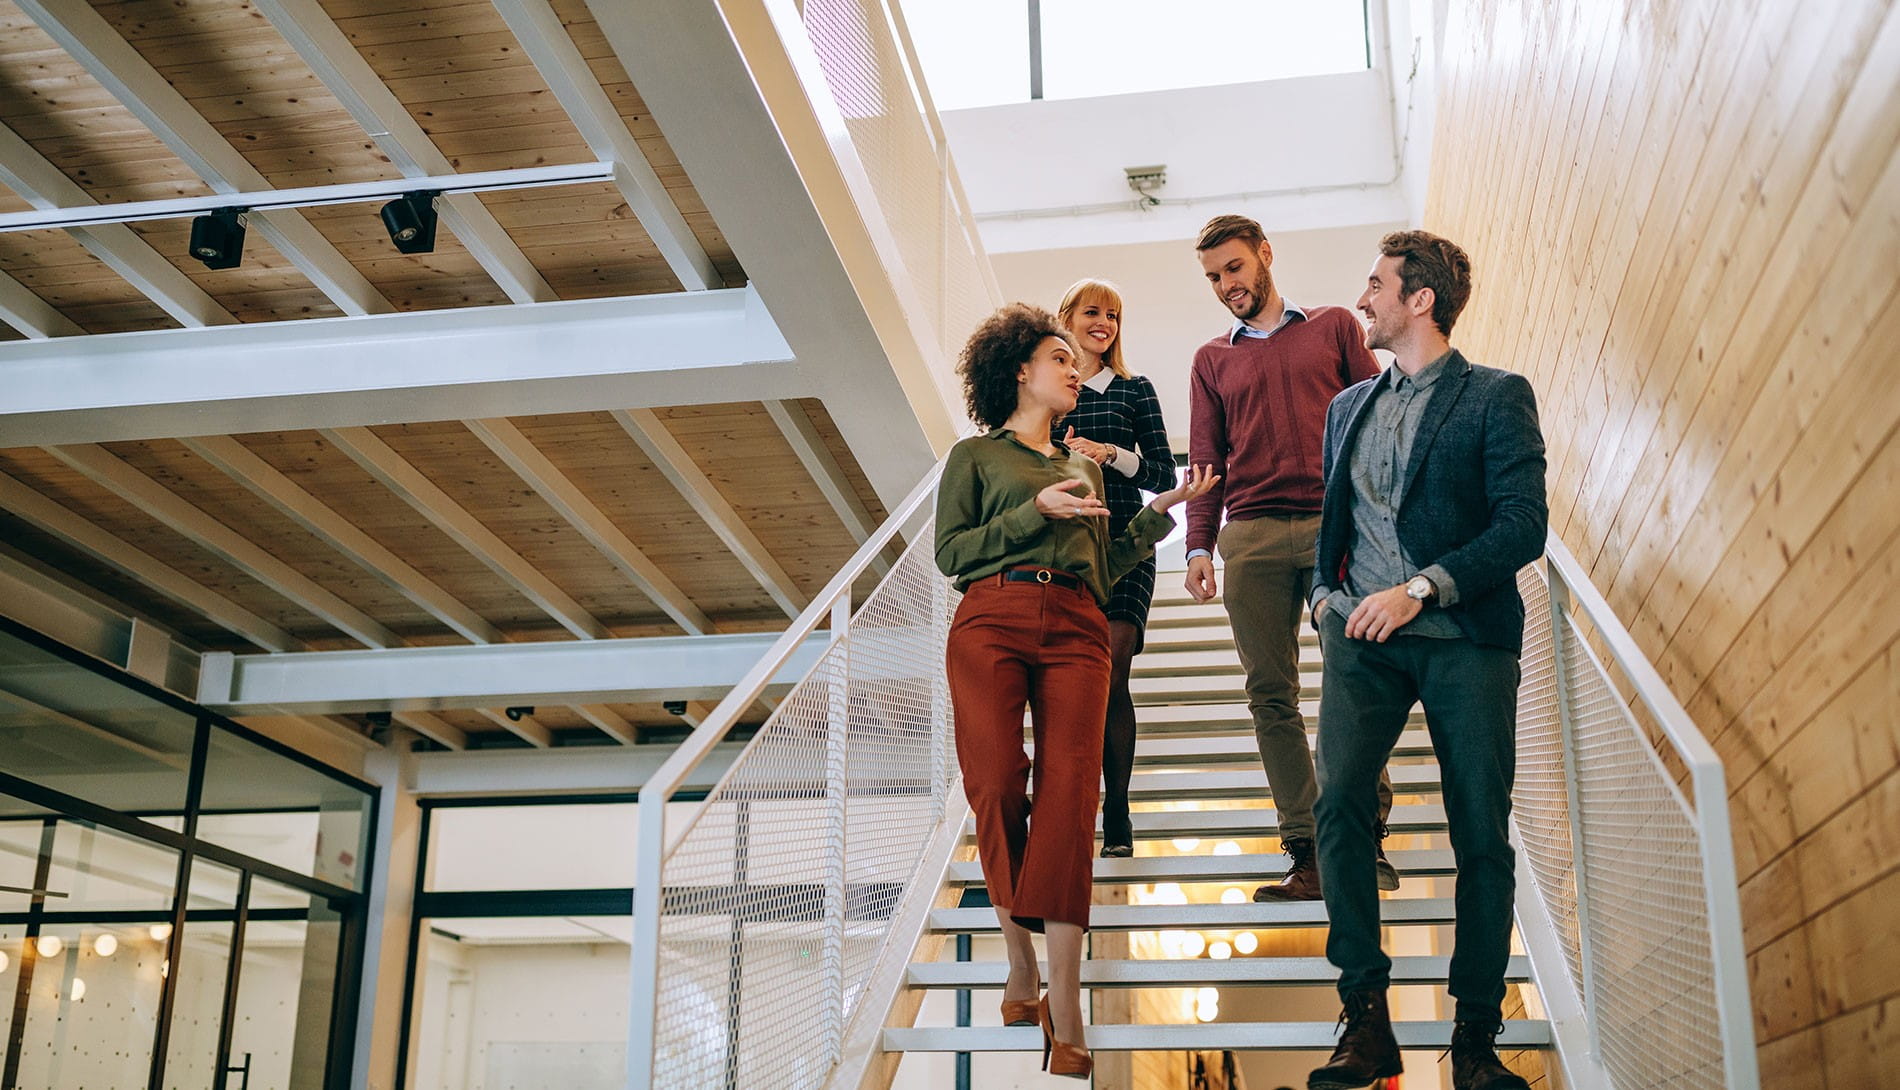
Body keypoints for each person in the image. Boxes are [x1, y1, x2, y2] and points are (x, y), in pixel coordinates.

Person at [936, 303, 1216, 1079]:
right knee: (995, 782)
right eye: (1058, 357)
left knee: (1070, 798)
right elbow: (950, 552)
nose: (1073, 369)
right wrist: (1034, 509)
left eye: (1073, 360)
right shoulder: (975, 459)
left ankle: (1066, 1000)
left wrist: (1155, 517)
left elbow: (1103, 564)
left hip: (1079, 623)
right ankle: (1018, 962)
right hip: (991, 614)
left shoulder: (1085, 466)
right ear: (1020, 371)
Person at [1305, 231, 1546, 1090]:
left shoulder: (1495, 396)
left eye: (1376, 285)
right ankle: (1366, 1022)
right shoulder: (1347, 409)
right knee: (1337, 809)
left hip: (1464, 639)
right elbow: (1330, 526)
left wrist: (1423, 587)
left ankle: (1475, 1041)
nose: (1361, 298)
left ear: (1420, 301)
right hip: (1361, 645)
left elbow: (1522, 525)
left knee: (1480, 833)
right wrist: (1324, 602)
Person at [1184, 215, 1396, 901]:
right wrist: (1197, 544)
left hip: (1339, 527)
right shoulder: (1212, 360)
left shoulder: (1334, 325)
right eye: (1214, 277)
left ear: (1265, 257)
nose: (1226, 286)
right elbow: (1206, 460)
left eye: (1234, 269)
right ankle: (1306, 851)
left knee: (1356, 678)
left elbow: (1378, 419)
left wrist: (1384, 517)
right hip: (1249, 535)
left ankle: (1361, 839)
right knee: (1269, 694)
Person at [1053, 278, 1177, 858]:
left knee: (1113, 673)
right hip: (1064, 550)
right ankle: (1077, 803)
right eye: (1092, 312)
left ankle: (1119, 810)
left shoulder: (1134, 389)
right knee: (1073, 686)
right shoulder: (1054, 389)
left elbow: (1161, 474)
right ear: (1067, 319)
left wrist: (1112, 455)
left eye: (1114, 315)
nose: (1104, 323)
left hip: (1128, 544)